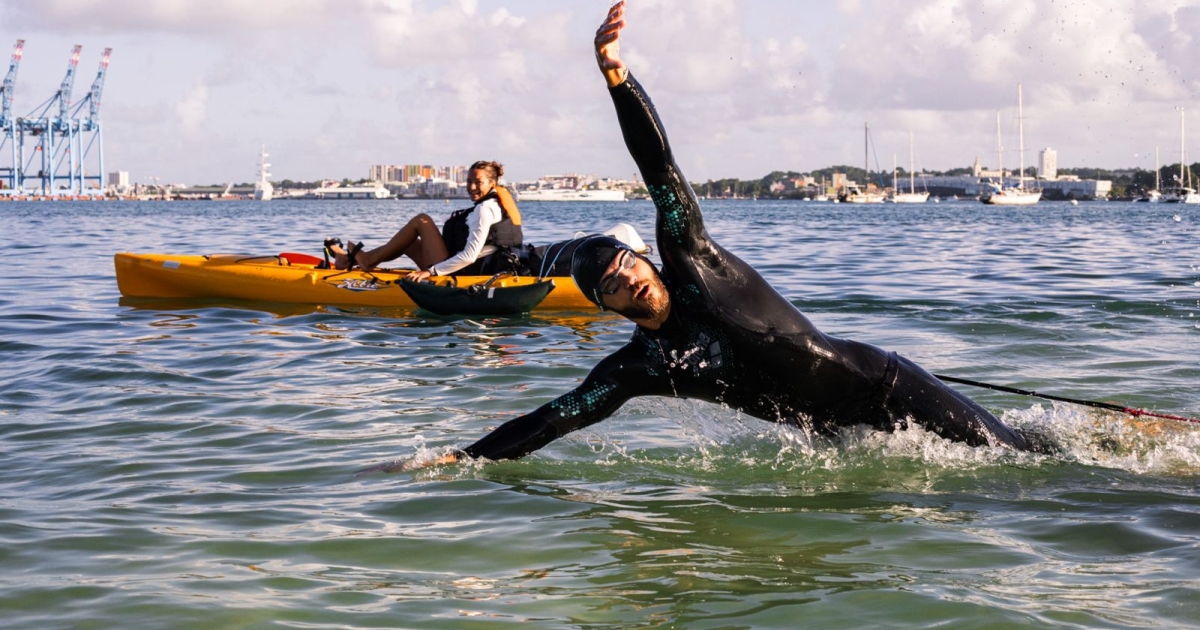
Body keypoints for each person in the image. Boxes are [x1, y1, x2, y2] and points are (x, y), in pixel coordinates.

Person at [389, 2, 1038, 471]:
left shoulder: (694, 261)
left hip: (888, 386)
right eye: (610, 286)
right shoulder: (640, 366)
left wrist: (616, 75)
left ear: (641, 259)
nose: (624, 277)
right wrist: (456, 458)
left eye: (623, 265)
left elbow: (659, 168)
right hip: (842, 440)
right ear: (607, 307)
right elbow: (553, 419)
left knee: (1025, 469)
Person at [333, 160, 523, 280]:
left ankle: (365, 261)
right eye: (468, 181)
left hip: (463, 271)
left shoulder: (485, 209)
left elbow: (469, 256)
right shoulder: (494, 203)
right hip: (463, 264)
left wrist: (430, 272)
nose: (471, 187)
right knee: (407, 243)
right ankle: (356, 260)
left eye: (478, 182)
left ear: (492, 183)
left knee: (422, 220)